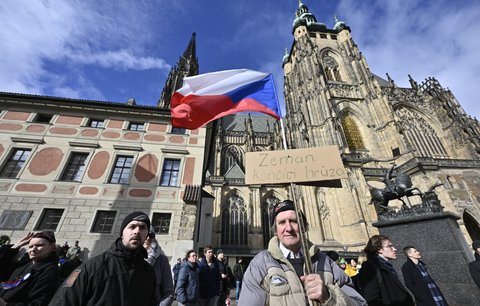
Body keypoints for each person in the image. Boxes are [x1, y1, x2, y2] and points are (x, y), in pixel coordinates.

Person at [239, 200, 366, 305]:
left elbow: (359, 303)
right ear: (275, 231)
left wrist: (329, 296)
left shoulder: (326, 262)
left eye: (294, 221)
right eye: (282, 222)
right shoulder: (260, 264)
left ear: (304, 227)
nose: (288, 228)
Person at [49, 211, 156, 305]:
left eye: (142, 227)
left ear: (146, 235)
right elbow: (63, 301)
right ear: (122, 233)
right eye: (132, 227)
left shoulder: (149, 272)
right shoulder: (93, 267)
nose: (137, 231)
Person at [0, 231, 59, 306]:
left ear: (52, 248)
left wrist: (5, 305)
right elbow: (2, 269)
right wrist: (17, 246)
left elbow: (39, 303)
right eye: (30, 246)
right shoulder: (26, 263)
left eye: (39, 245)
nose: (33, 249)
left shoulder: (49, 271)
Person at [357, 235, 414, 306]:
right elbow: (372, 298)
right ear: (379, 249)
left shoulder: (385, 265)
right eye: (389, 246)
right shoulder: (370, 267)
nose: (394, 249)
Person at [150, 232, 174, 306]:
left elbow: (169, 292)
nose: (147, 238)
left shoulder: (161, 260)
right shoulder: (125, 257)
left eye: (151, 235)